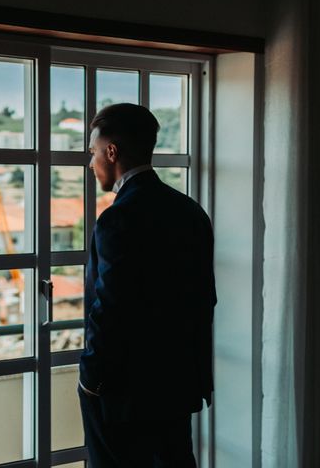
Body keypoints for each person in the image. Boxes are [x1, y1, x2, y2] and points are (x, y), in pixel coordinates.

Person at [79, 103, 217, 467]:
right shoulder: (190, 211)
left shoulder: (117, 219)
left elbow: (110, 308)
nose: (91, 164)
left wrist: (91, 378)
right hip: (178, 384)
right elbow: (205, 298)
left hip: (123, 392)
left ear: (111, 152)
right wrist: (198, 376)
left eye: (93, 153)